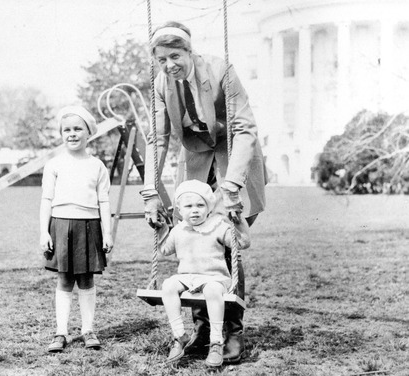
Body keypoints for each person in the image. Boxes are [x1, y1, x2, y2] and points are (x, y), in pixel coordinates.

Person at [140, 21, 267, 363]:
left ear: (189, 50)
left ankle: (232, 333)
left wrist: (232, 184)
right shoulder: (161, 84)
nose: (170, 65)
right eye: (162, 59)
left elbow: (243, 127)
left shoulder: (221, 70)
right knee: (194, 241)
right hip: (196, 164)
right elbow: (158, 138)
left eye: (176, 56)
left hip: (234, 161)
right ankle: (204, 331)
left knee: (223, 247)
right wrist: (151, 191)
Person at [40, 105, 113, 353]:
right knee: (64, 279)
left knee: (86, 278)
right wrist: (43, 231)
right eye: (67, 129)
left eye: (77, 129)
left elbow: (104, 201)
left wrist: (108, 232)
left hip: (89, 225)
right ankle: (61, 332)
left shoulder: (97, 166)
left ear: (88, 132)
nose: (72, 134)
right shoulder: (54, 164)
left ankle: (87, 330)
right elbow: (46, 200)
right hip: (60, 224)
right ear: (61, 133)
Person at [160, 180, 250, 367]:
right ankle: (179, 335)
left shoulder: (217, 226)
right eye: (189, 206)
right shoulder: (179, 229)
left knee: (211, 291)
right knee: (167, 286)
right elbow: (164, 250)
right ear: (180, 209)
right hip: (187, 277)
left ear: (209, 207)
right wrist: (160, 228)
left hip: (214, 278)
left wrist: (238, 221)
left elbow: (242, 243)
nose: (195, 210)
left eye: (200, 205)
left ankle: (216, 342)